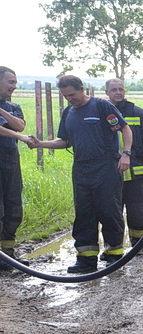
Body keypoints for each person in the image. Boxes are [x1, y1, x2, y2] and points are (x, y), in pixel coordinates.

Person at [29, 76, 132, 273]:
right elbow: (65, 141)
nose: (70, 99)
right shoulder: (68, 112)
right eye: (66, 96)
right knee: (84, 213)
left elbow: (125, 129)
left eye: (73, 95)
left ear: (82, 89)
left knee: (109, 211)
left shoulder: (102, 107)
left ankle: (114, 254)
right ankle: (86, 259)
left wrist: (126, 154)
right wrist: (41, 144)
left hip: (106, 166)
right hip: (81, 169)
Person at [104, 78, 143, 249]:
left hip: (136, 173)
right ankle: (114, 248)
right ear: (107, 93)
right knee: (111, 212)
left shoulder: (139, 114)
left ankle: (139, 246)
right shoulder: (101, 114)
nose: (118, 92)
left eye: (120, 89)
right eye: (114, 90)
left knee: (137, 210)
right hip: (109, 174)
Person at [0, 67, 36, 264]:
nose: (14, 86)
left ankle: (8, 254)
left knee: (13, 206)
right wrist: (19, 137)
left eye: (15, 82)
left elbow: (20, 125)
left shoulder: (13, 107)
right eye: (10, 82)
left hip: (10, 159)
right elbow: (16, 132)